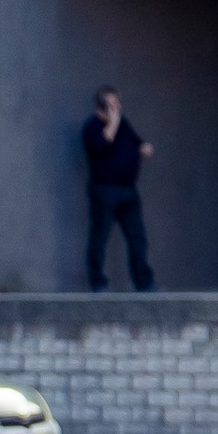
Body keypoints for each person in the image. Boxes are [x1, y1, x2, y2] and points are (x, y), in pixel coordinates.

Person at [81, 85, 154, 290]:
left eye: (117, 103)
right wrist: (112, 123)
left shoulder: (124, 125)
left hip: (128, 191)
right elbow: (101, 145)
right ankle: (98, 282)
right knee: (100, 238)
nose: (116, 108)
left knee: (137, 238)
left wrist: (143, 147)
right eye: (110, 104)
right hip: (104, 191)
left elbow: (136, 143)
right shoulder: (93, 126)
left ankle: (144, 283)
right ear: (100, 106)